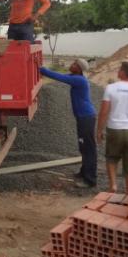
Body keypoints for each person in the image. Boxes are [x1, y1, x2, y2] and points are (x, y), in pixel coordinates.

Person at [40, 59, 98, 188]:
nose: (71, 65)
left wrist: (41, 69)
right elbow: (59, 75)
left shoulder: (79, 80)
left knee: (89, 149)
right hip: (83, 117)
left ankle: (90, 180)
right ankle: (84, 173)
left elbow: (58, 76)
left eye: (74, 64)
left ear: (79, 68)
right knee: (84, 147)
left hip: (86, 118)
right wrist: (45, 71)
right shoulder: (75, 76)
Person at [96, 61, 128, 193]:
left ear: (124, 72)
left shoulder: (111, 88)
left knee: (112, 157)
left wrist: (99, 130)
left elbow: (103, 112)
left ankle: (113, 186)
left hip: (115, 129)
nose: (118, 71)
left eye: (119, 69)